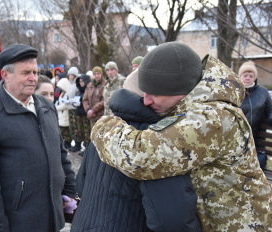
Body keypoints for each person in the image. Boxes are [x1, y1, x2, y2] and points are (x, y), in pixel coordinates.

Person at [90, 42, 272, 231]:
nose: (146, 100)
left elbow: (140, 156)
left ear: (180, 90)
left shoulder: (211, 118)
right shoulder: (197, 108)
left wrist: (104, 125)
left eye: (154, 93)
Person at [0, 44, 76, 232]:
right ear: (6, 75)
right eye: (26, 73)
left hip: (53, 215)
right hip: (19, 222)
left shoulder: (47, 106)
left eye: (35, 71)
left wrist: (71, 192)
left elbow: (60, 154)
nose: (33, 78)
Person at [71, 69, 200, 232]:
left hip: (84, 225)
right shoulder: (158, 139)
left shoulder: (104, 127)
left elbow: (81, 183)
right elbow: (171, 219)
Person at [239, 61, 272, 170]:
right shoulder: (234, 91)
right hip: (236, 139)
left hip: (257, 140)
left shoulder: (263, 92)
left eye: (251, 76)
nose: (248, 78)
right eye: (245, 75)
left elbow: (270, 111)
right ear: (240, 76)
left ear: (255, 77)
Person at [63, 67, 81, 152]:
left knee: (76, 126)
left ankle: (78, 143)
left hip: (74, 108)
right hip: (69, 108)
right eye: (69, 75)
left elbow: (77, 98)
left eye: (72, 75)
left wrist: (68, 101)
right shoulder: (69, 84)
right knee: (72, 127)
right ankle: (73, 142)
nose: (70, 76)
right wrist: (64, 99)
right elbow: (67, 94)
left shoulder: (77, 85)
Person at [74, 74, 91, 156]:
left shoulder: (88, 90)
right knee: (81, 130)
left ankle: (87, 149)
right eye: (80, 81)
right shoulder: (78, 90)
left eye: (82, 81)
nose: (81, 83)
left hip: (85, 113)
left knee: (87, 131)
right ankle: (82, 146)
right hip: (79, 112)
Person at [55, 78, 71, 149]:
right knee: (62, 130)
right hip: (61, 114)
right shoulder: (62, 93)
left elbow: (65, 105)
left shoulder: (68, 94)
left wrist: (56, 108)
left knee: (66, 129)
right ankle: (64, 141)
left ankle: (68, 142)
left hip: (65, 114)